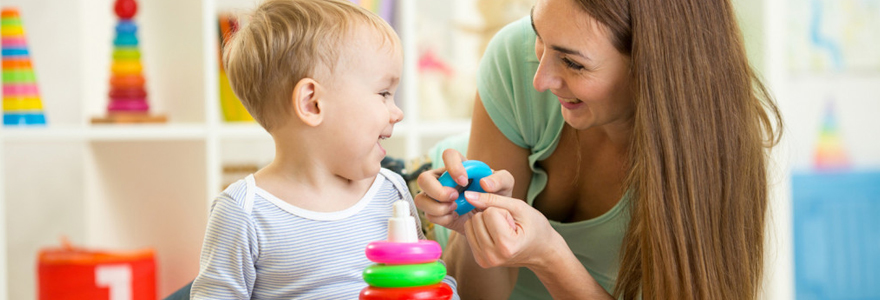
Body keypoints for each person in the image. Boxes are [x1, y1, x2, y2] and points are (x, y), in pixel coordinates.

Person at [415, 0, 783, 299]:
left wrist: (550, 257)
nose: (540, 79)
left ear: (651, 69)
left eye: (573, 63)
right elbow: (479, 295)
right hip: (432, 255)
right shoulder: (516, 60)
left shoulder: (713, 157)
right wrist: (476, 228)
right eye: (538, 36)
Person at [189, 0, 458, 298]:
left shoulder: (391, 191)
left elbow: (426, 281)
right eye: (383, 93)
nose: (397, 113)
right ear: (312, 103)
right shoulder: (245, 211)